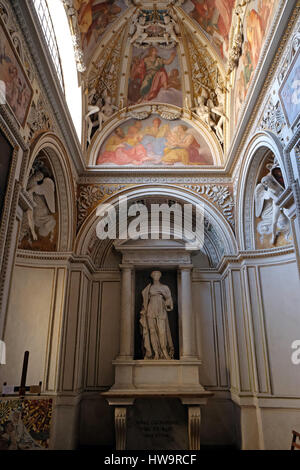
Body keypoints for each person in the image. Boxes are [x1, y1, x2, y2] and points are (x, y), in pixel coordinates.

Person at [140, 271, 174, 360]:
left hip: (161, 310)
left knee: (162, 332)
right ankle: (155, 353)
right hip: (151, 310)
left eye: (158, 275)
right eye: (154, 275)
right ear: (152, 276)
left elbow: (169, 301)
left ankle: (164, 351)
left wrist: (166, 301)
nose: (156, 276)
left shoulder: (165, 287)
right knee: (152, 332)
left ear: (160, 276)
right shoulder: (148, 288)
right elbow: (145, 301)